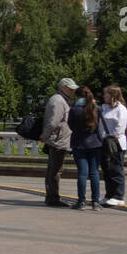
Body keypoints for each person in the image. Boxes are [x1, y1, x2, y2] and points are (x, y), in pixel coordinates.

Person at [38, 77, 77, 207]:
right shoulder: (59, 101)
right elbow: (53, 122)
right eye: (71, 89)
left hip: (59, 140)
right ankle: (53, 197)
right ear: (63, 88)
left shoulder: (60, 100)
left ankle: (52, 196)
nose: (73, 91)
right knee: (55, 170)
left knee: (54, 169)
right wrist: (45, 135)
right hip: (58, 141)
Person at [68, 85, 104, 210]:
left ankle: (81, 201)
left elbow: (70, 126)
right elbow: (100, 126)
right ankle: (95, 202)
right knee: (94, 173)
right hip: (95, 144)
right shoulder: (97, 109)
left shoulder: (74, 110)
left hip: (79, 144)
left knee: (82, 173)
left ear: (78, 96)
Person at [100, 85, 127, 207]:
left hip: (115, 144)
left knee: (116, 169)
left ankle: (118, 195)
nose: (103, 96)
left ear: (112, 95)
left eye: (105, 94)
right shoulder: (104, 108)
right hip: (104, 143)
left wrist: (111, 137)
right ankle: (109, 194)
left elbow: (120, 128)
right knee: (107, 170)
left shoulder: (121, 109)